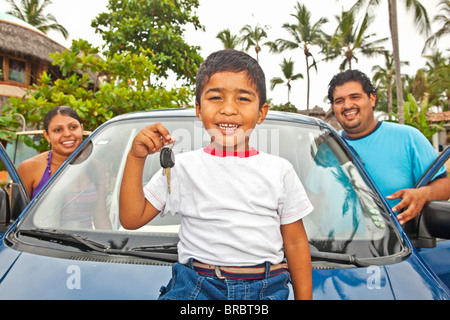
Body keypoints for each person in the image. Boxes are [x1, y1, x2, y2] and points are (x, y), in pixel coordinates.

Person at [119, 49, 314, 300]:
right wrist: (136, 158)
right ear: (199, 110)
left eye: (243, 99)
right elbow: (131, 218)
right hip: (196, 288)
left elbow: (296, 244)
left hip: (265, 290)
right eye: (216, 98)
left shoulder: (280, 170)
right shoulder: (181, 168)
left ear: (261, 112)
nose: (228, 109)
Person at [328, 69, 450, 225]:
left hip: (398, 248)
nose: (347, 105)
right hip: (334, 245)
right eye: (339, 101)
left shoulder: (408, 138)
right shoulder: (327, 145)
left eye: (355, 97)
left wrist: (423, 194)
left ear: (372, 99)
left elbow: (445, 185)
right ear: (333, 107)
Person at [18, 106, 84, 199]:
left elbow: (101, 210)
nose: (67, 134)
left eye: (73, 127)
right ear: (47, 135)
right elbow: (16, 211)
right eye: (58, 130)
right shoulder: (29, 168)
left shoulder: (95, 165)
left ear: (82, 129)